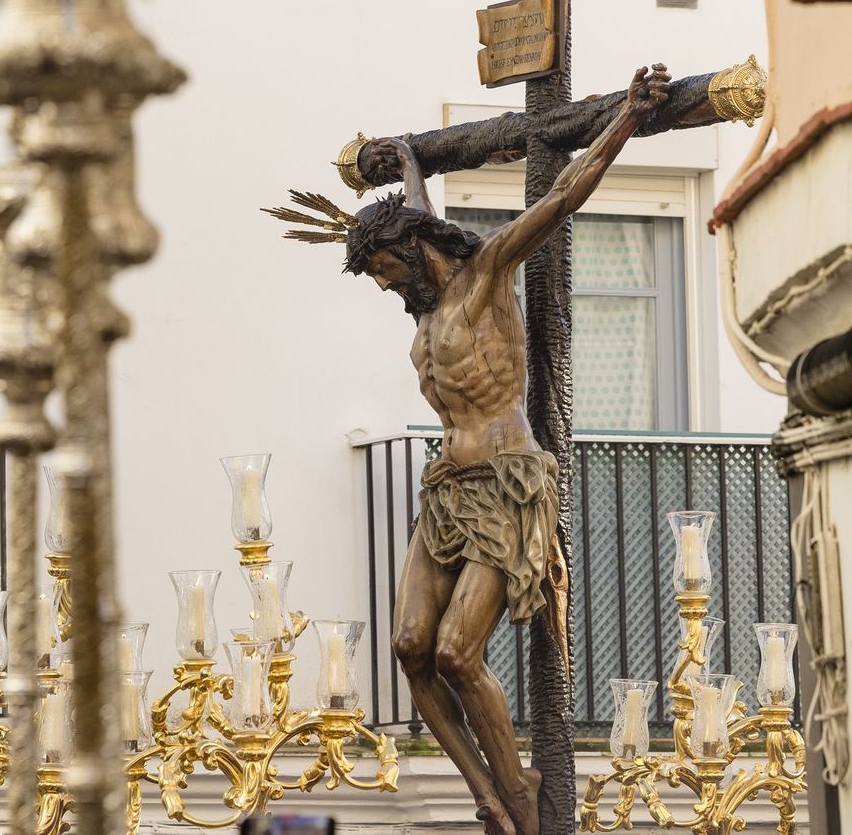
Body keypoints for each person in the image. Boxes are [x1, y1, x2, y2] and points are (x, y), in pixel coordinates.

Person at [268, 64, 671, 835]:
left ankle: (517, 790)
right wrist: (413, 162)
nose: (389, 290)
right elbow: (414, 212)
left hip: (505, 485)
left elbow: (561, 197)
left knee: (457, 652)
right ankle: (487, 789)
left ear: (417, 251)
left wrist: (625, 118)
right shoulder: (422, 308)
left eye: (388, 273)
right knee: (410, 646)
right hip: (445, 492)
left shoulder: (486, 275)